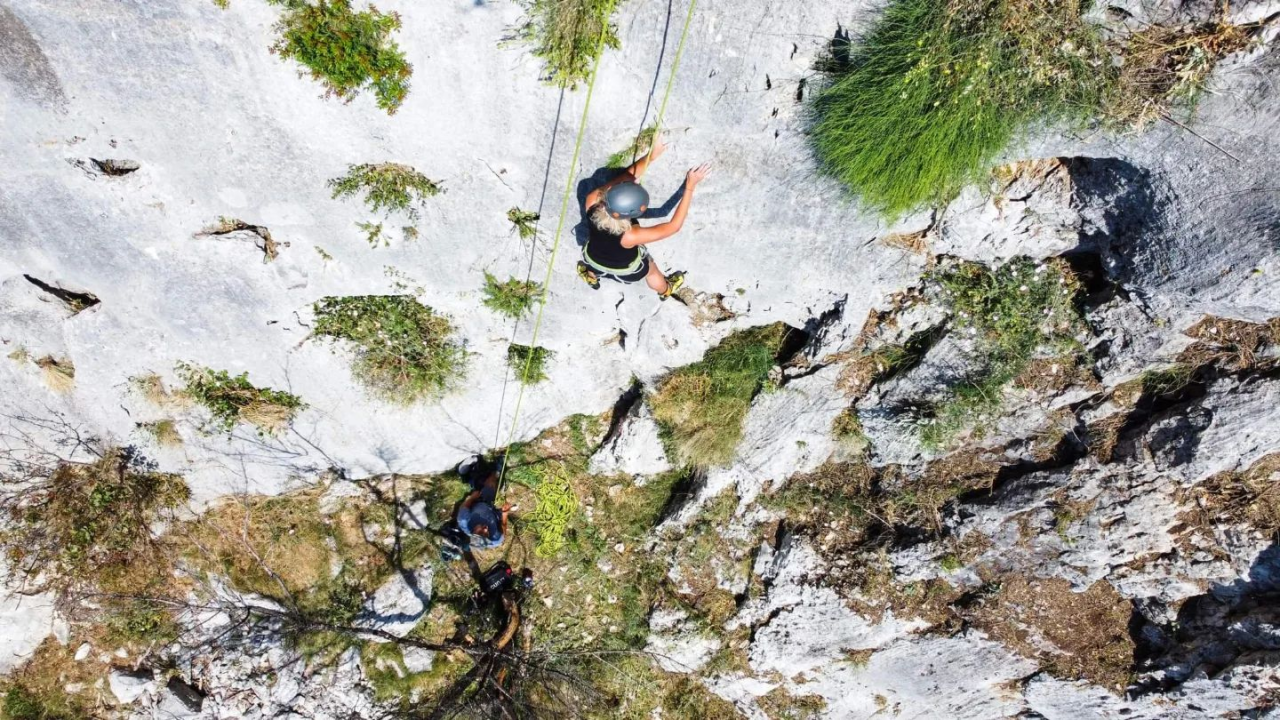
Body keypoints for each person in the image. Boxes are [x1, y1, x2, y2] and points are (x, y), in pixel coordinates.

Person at [578, 136, 712, 299]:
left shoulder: (593, 200)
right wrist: (690, 186)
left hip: (592, 258)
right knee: (652, 271)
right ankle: (665, 290)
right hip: (626, 270)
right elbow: (673, 226)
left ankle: (591, 275)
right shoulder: (632, 236)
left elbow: (627, 177)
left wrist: (652, 155)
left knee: (597, 262)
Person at [454, 456, 511, 550]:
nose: (485, 529)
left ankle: (465, 474)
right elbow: (503, 530)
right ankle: (488, 471)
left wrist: (472, 497)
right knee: (496, 481)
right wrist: (505, 514)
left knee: (491, 481)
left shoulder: (464, 520)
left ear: (473, 532)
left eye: (481, 532)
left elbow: (464, 506)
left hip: (480, 501)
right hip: (492, 509)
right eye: (486, 534)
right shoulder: (496, 540)